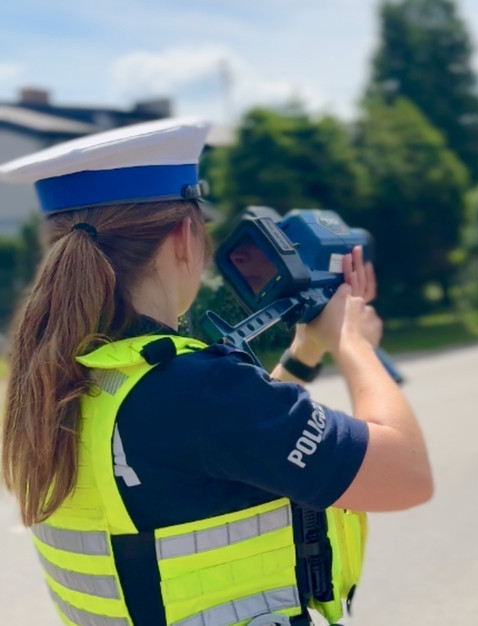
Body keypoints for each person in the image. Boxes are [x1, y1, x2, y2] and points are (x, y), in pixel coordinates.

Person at [0, 118, 433, 626]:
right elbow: (406, 474)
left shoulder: (64, 382)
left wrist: (304, 355)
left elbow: (212, 455)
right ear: (185, 237)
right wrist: (352, 341)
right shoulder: (195, 390)